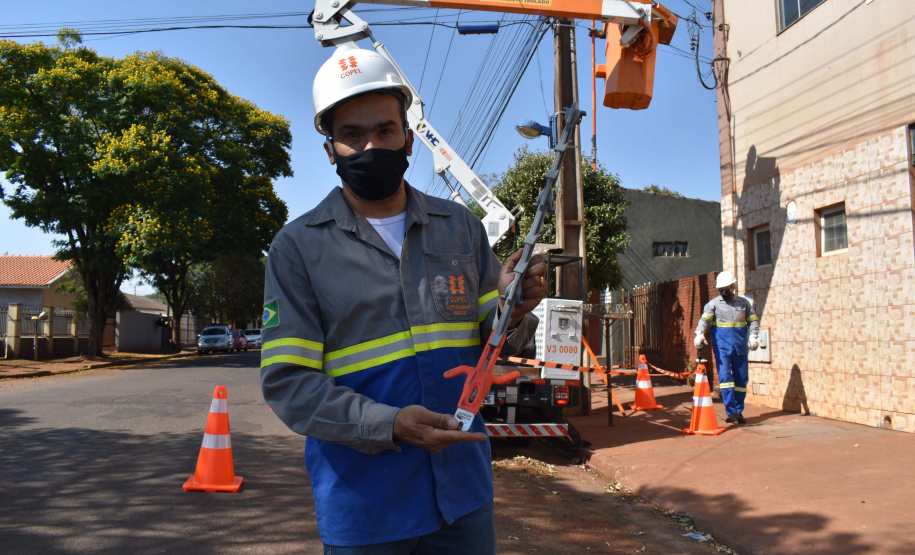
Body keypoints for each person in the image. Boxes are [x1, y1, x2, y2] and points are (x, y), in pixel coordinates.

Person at [260, 45, 548, 554]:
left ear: (409, 140)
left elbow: (492, 338)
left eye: (385, 130)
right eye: (351, 134)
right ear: (330, 150)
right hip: (366, 504)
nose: (371, 145)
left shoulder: (460, 227)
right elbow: (289, 384)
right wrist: (389, 423)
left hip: (463, 496)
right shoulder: (297, 249)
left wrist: (514, 306)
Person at [694, 270, 759, 424]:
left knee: (741, 380)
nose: (724, 293)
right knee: (725, 378)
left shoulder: (744, 303)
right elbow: (704, 320)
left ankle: (738, 411)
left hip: (740, 347)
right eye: (721, 290)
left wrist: (754, 336)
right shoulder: (713, 305)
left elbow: (753, 321)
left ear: (733, 286)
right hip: (722, 347)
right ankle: (731, 412)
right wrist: (699, 333)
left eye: (727, 289)